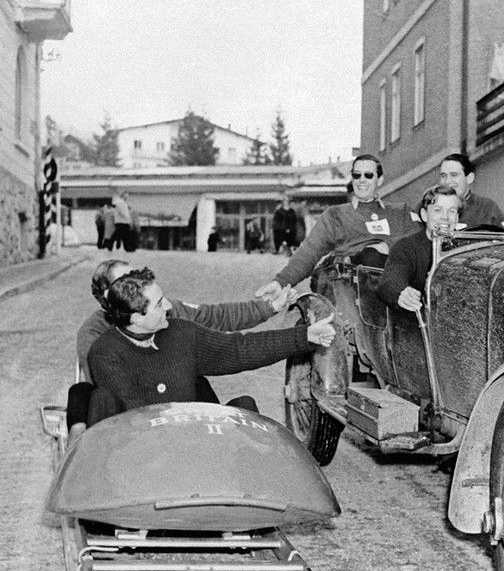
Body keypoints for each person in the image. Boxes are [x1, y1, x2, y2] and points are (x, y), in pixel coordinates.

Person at [86, 268, 336, 424]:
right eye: (159, 304)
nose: (169, 307)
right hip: (142, 456)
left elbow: (241, 349)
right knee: (101, 399)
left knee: (244, 406)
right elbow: (136, 413)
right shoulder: (105, 353)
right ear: (135, 318)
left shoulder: (180, 332)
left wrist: (305, 336)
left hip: (196, 444)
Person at [77, 259, 293, 382]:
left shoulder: (166, 310)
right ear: (108, 297)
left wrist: (269, 307)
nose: (138, 284)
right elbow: (103, 388)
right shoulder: (94, 335)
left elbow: (218, 317)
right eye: (127, 283)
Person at [254, 154, 419, 302]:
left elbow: (423, 239)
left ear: (380, 180)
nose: (362, 180)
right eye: (357, 175)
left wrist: (387, 245)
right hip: (352, 291)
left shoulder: (401, 212)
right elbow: (309, 252)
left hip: (398, 287)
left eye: (368, 175)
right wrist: (281, 282)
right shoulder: (335, 215)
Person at [377, 185, 461, 312]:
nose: (445, 217)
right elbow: (390, 279)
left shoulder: (467, 248)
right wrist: (401, 292)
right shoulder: (406, 247)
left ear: (457, 218)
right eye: (437, 210)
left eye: (451, 211)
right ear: (424, 215)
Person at [438, 153, 504, 228]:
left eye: (454, 175)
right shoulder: (431, 207)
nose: (447, 181)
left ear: (469, 178)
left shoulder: (487, 208)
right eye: (443, 176)